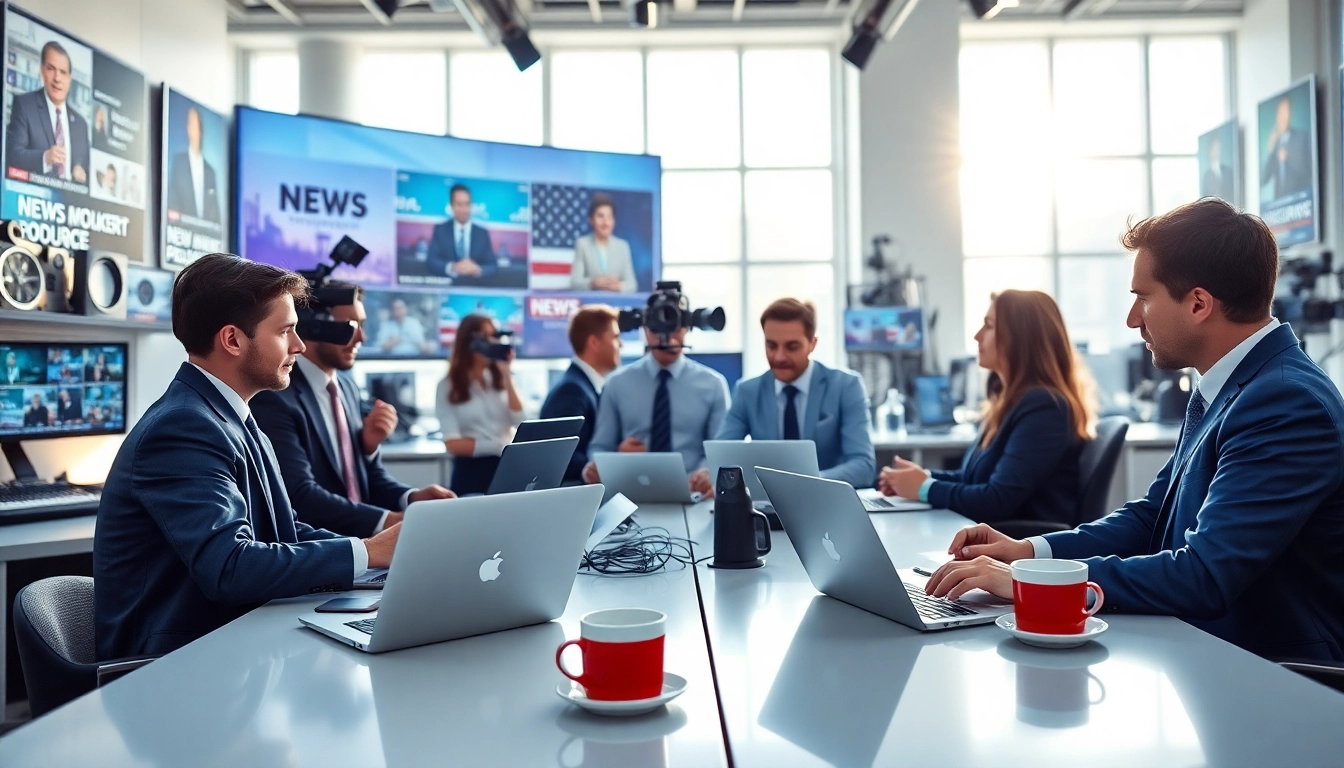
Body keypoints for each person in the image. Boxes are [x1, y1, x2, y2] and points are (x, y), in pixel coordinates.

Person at [925, 199, 1344, 662]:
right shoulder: (1229, 384)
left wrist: (1034, 582)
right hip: (1204, 647)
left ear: (1199, 303)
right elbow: (1152, 517)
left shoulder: (1285, 402)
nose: (1132, 319)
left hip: (1272, 675)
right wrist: (1027, 551)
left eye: (1143, 297)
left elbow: (1204, 575)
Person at [94, 253, 404, 660]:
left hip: (230, 643)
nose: (298, 344)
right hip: (170, 668)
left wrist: (376, 560)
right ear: (233, 340)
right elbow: (230, 567)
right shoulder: (182, 429)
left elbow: (282, 531)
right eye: (286, 331)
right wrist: (369, 552)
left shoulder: (230, 413)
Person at [253, 282, 455, 538]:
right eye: (350, 326)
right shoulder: (276, 396)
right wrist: (392, 521)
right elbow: (300, 495)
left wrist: (411, 498)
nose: (361, 338)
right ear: (313, 325)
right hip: (321, 553)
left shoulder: (346, 388)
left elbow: (365, 478)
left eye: (362, 324)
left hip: (365, 548)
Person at [879, 290, 1095, 525]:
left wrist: (924, 488)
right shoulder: (1010, 401)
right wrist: (921, 478)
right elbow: (974, 479)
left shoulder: (1044, 407)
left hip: (1020, 545)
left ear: (1020, 338)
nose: (977, 336)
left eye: (989, 326)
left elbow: (997, 499)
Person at [710, 298, 876, 489]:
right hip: (766, 507)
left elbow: (864, 466)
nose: (779, 357)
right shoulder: (747, 391)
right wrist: (707, 474)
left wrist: (802, 484)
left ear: (812, 344)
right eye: (771, 346)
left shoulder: (846, 386)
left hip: (826, 500)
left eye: (792, 347)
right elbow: (721, 458)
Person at [584, 327, 730, 496]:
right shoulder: (616, 384)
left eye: (675, 327)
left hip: (693, 495)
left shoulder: (713, 385)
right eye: (658, 328)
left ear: (687, 327)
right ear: (645, 329)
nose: (667, 338)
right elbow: (599, 447)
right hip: (630, 495)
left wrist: (707, 471)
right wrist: (612, 461)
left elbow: (720, 450)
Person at [436, 313, 526, 495]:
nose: (493, 343)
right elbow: (452, 443)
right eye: (487, 338)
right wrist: (495, 446)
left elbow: (521, 420)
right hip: (472, 473)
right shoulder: (448, 386)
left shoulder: (502, 380)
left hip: (505, 469)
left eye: (495, 336)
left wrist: (507, 375)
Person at [540, 305, 623, 483]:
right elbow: (559, 454)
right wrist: (613, 457)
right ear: (594, 343)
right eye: (615, 337)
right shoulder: (572, 391)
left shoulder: (583, 386)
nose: (621, 344)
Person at [5, 41, 90, 184]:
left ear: (69, 79)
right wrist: (44, 158)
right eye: (51, 69)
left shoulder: (81, 124)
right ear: (42, 70)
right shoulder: (25, 105)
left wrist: (80, 172)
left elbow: (89, 173)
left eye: (63, 72)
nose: (57, 78)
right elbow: (13, 155)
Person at [426, 184, 496, 282]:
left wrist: (477, 269)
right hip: (448, 286)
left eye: (467, 204)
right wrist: (453, 267)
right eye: (459, 204)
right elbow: (431, 261)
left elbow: (492, 266)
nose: (464, 209)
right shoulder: (441, 230)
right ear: (451, 206)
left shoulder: (482, 233)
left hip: (475, 287)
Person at [571, 194, 637, 293]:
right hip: (591, 305)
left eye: (609, 217)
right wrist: (593, 283)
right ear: (591, 220)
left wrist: (618, 286)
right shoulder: (582, 245)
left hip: (616, 305)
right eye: (600, 216)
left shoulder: (622, 246)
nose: (605, 222)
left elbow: (632, 285)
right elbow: (574, 283)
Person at [167, 106, 221, 224]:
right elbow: (172, 204)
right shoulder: (179, 163)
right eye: (192, 125)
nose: (195, 130)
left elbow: (216, 217)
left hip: (205, 237)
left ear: (201, 130)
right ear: (188, 129)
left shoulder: (210, 172)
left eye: (197, 126)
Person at [1262, 95, 1312, 200]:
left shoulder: (1301, 136)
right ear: (1277, 116)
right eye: (1281, 113)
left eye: (1287, 112)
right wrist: (1270, 150)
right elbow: (1263, 179)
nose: (1284, 117)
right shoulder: (1275, 144)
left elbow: (1308, 170)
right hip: (1279, 206)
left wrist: (1288, 157)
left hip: (1299, 200)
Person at [1201, 134, 1235, 202]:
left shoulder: (1228, 171)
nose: (1216, 151)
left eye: (1218, 148)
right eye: (1214, 148)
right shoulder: (1206, 175)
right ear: (1209, 151)